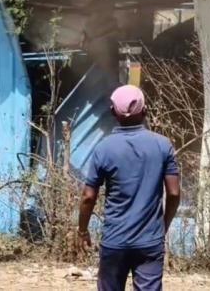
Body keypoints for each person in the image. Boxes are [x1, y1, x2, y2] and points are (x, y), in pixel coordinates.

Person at [77, 85, 181, 291]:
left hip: (114, 240)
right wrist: (163, 226)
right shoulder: (162, 145)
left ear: (113, 112)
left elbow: (88, 197)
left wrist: (82, 230)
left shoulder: (103, 149)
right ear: (145, 111)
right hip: (150, 241)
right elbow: (174, 193)